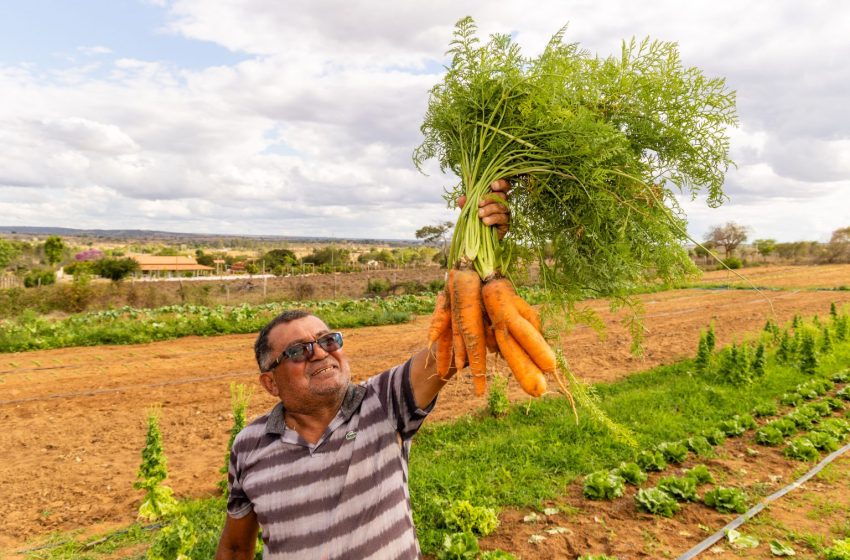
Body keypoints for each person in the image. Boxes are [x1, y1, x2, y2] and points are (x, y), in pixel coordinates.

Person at [215, 180, 511, 560]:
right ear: (270, 382)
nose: (319, 353)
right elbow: (236, 547)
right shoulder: (249, 446)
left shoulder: (384, 402)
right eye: (298, 350)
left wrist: (483, 232)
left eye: (328, 340)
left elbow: (461, 337)